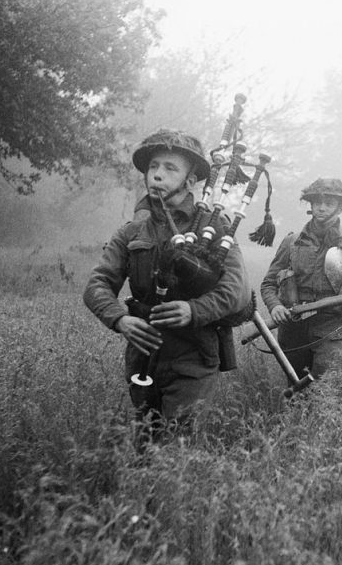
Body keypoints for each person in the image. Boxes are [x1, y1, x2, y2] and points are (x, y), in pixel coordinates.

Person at [83, 129, 251, 437]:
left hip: (194, 354)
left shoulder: (216, 228)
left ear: (190, 180)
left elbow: (237, 292)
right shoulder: (131, 233)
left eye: (170, 168)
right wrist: (119, 319)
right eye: (153, 166)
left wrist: (194, 309)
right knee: (145, 440)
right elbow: (97, 284)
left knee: (177, 446)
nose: (157, 175)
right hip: (143, 353)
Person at [260, 178, 342, 379]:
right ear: (311, 206)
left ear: (340, 209)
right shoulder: (291, 242)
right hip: (293, 327)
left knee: (327, 388)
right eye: (317, 203)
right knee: (296, 388)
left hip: (333, 327)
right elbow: (268, 284)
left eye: (329, 204)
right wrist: (275, 307)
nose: (321, 208)